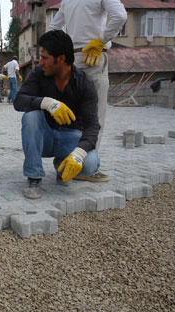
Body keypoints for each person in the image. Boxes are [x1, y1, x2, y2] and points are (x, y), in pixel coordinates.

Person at [14, 30, 101, 199]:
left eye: (45, 57)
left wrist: (78, 154)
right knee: (31, 116)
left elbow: (92, 126)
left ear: (60, 59)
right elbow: (19, 101)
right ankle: (34, 176)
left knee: (90, 164)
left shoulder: (85, 83)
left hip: (69, 138)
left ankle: (63, 163)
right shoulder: (38, 74)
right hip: (43, 138)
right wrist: (46, 103)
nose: (41, 62)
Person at [49, 0, 127, 182]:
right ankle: (87, 168)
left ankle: (65, 160)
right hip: (93, 56)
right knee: (95, 117)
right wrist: (102, 40)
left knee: (71, 116)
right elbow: (120, 15)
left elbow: (54, 27)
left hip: (71, 60)